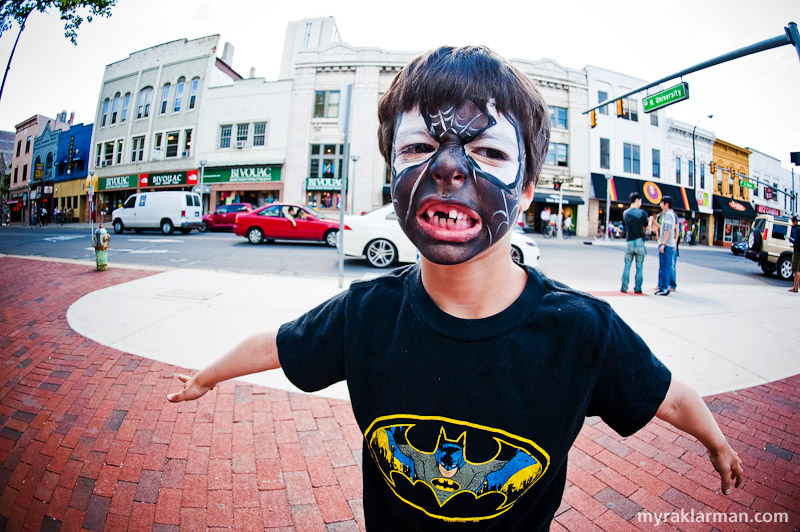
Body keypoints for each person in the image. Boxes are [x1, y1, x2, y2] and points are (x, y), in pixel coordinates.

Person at [167, 46, 742, 531]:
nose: (448, 169)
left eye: (489, 152)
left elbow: (667, 394)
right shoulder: (369, 314)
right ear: (392, 174)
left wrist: (716, 442)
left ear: (524, 191)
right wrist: (205, 376)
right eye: (417, 149)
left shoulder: (579, 330)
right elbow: (279, 343)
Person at [620, 192, 648, 294]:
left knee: (627, 265)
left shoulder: (625, 213)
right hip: (639, 241)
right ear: (637, 200)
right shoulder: (642, 213)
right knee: (639, 266)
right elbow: (646, 226)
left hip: (629, 242)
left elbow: (625, 226)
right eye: (640, 200)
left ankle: (624, 287)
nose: (641, 202)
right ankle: (638, 288)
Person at [656, 196, 677, 296]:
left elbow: (667, 230)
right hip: (667, 244)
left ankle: (664, 288)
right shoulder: (669, 214)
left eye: (661, 203)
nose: (660, 205)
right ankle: (662, 286)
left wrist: (663, 244)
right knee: (664, 266)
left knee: (665, 266)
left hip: (667, 244)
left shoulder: (668, 215)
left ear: (666, 204)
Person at [789, 215, 800, 293]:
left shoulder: (796, 230)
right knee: (797, 270)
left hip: (797, 251)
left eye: (792, 222)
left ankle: (795, 287)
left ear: (794, 222)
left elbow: (796, 241)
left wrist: (791, 240)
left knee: (797, 270)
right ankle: (795, 287)